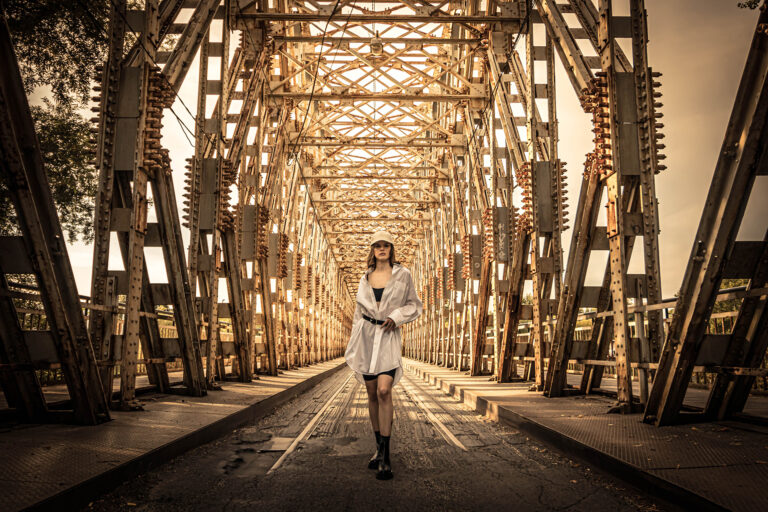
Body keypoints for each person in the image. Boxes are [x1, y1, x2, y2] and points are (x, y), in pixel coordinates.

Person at [344, 230, 423, 480]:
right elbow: (358, 311)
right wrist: (355, 341)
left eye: (385, 245)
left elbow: (414, 305)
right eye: (376, 245)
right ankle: (378, 449)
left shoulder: (403, 274)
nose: (381, 249)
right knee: (371, 393)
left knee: (384, 391)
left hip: (388, 336)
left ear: (391, 248)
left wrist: (396, 317)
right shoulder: (365, 277)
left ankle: (386, 456)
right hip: (366, 338)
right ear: (372, 249)